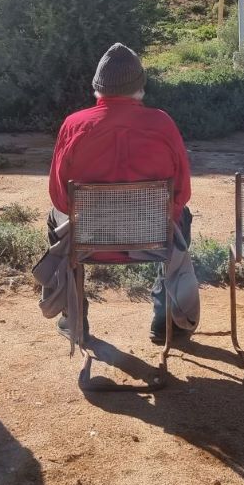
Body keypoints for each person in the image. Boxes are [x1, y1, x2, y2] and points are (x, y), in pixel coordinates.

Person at [47, 43, 192, 343]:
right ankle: (167, 322)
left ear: (97, 88)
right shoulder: (162, 124)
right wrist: (150, 223)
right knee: (183, 216)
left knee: (55, 215)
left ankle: (73, 316)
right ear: (140, 87)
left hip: (89, 242)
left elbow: (60, 197)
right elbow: (182, 192)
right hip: (151, 240)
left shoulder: (74, 125)